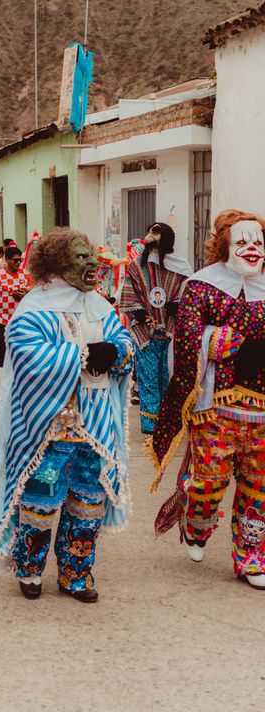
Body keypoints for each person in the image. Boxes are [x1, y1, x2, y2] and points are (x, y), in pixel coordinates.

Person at [0, 228, 134, 603]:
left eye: (92, 257)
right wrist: (84, 356)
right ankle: (30, 568)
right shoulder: (34, 309)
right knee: (40, 498)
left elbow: (124, 343)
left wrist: (116, 353)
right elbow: (27, 354)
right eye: (82, 258)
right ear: (57, 264)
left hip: (95, 424)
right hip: (48, 427)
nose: (94, 265)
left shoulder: (99, 306)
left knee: (88, 499)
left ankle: (75, 573)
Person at [151, 209, 265, 590]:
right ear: (224, 246)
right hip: (215, 408)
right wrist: (211, 342)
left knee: (259, 486)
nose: (252, 249)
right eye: (243, 242)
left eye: (258, 242)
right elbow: (182, 340)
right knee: (209, 483)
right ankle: (196, 522)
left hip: (263, 412)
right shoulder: (201, 285)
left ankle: (251, 557)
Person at [119, 222, 192, 433]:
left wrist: (178, 304)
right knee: (148, 377)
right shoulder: (136, 266)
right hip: (146, 333)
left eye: (157, 236)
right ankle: (151, 424)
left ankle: (168, 419)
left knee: (168, 376)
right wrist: (138, 311)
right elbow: (129, 290)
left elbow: (188, 292)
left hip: (171, 332)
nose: (153, 245)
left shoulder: (181, 267)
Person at [0, 245, 31, 368]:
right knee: (2, 349)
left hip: (21, 318)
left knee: (20, 350)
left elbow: (33, 294)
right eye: (15, 260)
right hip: (2, 318)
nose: (18, 263)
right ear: (7, 260)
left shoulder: (25, 275)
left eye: (20, 261)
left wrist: (25, 293)